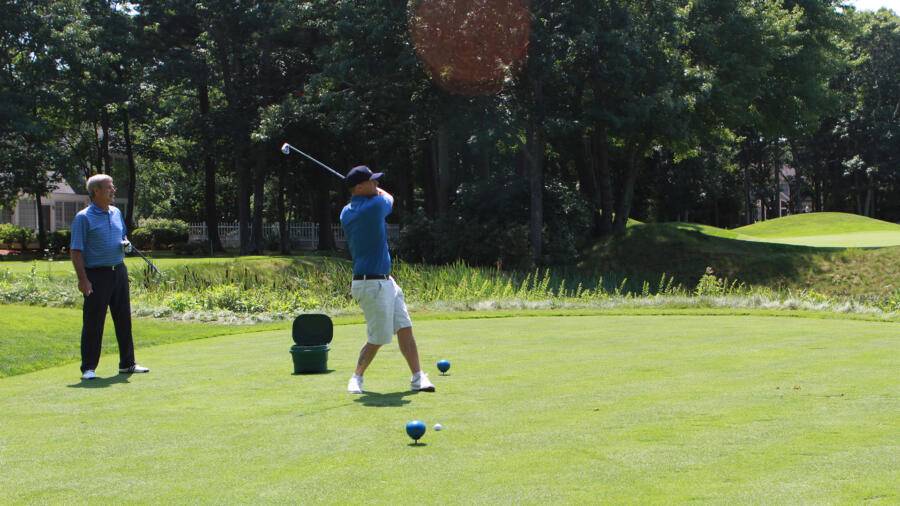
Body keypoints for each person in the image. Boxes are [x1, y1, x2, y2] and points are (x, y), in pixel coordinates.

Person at [340, 165, 435, 394]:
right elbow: (389, 198)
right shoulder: (374, 207)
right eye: (372, 181)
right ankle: (356, 377)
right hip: (371, 284)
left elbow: (374, 195)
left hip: (385, 281)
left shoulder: (346, 212)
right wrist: (379, 192)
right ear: (359, 187)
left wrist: (370, 190)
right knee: (379, 337)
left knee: (404, 326)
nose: (377, 184)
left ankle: (418, 377)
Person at [70, 174, 149, 380]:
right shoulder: (83, 217)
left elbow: (122, 235)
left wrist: (125, 243)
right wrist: (83, 279)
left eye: (112, 187)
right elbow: (76, 251)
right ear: (96, 191)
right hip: (96, 275)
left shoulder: (116, 212)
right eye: (109, 187)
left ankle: (127, 363)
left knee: (124, 319)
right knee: (94, 321)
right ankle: (88, 368)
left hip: (119, 271)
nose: (113, 190)